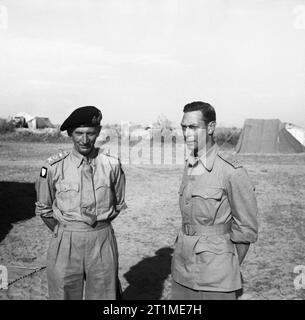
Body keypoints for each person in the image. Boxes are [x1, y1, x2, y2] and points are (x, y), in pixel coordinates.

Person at [35, 106, 127, 300]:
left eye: (90, 133)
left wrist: (97, 227)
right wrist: (67, 231)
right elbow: (44, 209)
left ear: (98, 132)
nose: (85, 140)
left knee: (105, 296)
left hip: (102, 239)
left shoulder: (112, 164)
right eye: (79, 133)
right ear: (70, 133)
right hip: (66, 240)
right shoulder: (52, 167)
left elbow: (118, 204)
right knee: (64, 294)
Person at [171, 101, 258, 300]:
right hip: (182, 267)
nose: (186, 133)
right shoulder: (190, 165)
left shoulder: (231, 171)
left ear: (210, 127)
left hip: (216, 276)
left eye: (193, 127)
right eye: (184, 127)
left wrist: (226, 265)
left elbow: (246, 228)